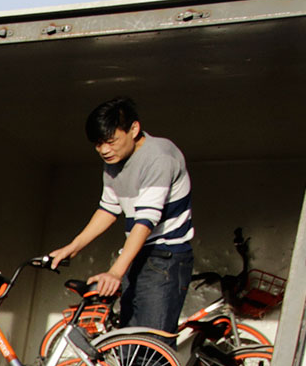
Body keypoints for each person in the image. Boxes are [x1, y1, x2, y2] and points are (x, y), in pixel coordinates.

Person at [47, 96, 195, 334]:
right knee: (128, 343)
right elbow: (108, 208)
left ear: (134, 129)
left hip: (165, 256)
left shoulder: (158, 157)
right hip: (137, 255)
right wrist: (72, 248)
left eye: (111, 141)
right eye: (98, 144)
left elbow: (145, 221)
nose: (104, 150)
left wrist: (116, 271)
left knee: (150, 346)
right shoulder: (115, 162)